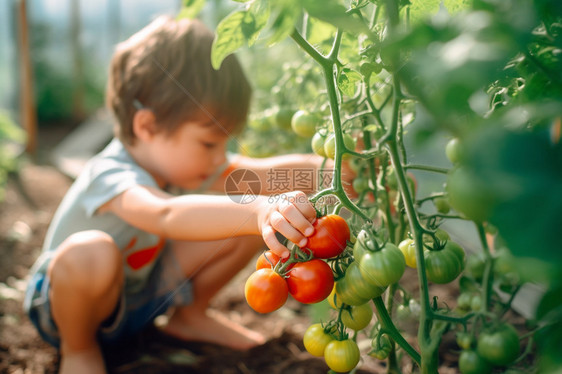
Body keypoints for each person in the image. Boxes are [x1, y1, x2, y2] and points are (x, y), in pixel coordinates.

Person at [23, 15, 334, 374]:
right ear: (148, 126)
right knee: (90, 251)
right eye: (208, 143)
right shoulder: (109, 175)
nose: (219, 157)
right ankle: (79, 351)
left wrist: (327, 168)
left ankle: (190, 316)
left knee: (246, 209)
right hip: (66, 311)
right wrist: (260, 212)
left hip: (139, 301)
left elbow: (258, 174)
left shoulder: (179, 161)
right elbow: (165, 214)